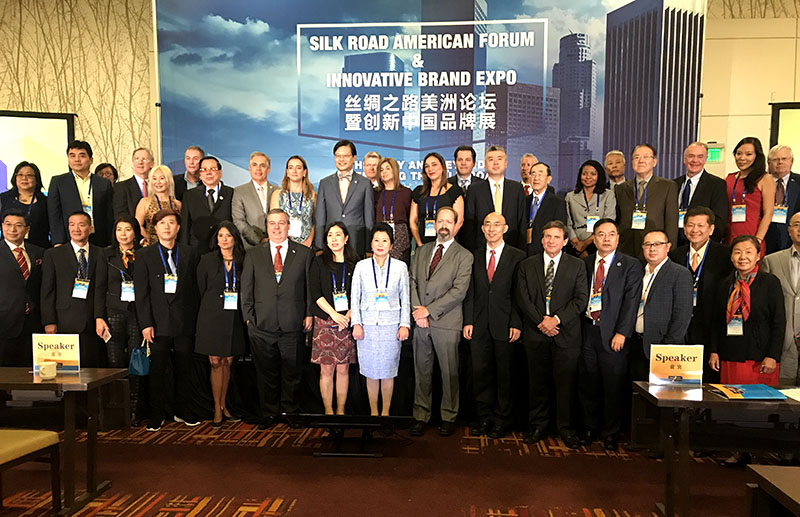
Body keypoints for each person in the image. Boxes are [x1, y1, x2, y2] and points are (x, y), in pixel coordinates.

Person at [516, 220, 588, 448]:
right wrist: (541, 321)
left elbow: (580, 300)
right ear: (541, 239)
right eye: (547, 236)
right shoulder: (527, 265)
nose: (551, 241)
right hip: (536, 333)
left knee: (566, 385)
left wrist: (555, 320)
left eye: (556, 237)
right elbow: (523, 298)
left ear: (565, 241)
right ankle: (538, 426)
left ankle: (565, 428)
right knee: (537, 384)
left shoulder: (577, 266)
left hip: (565, 334)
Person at [241, 209, 313, 428]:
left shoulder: (304, 253)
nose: (276, 227)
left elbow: (309, 288)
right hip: (261, 325)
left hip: (293, 323)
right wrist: (249, 318)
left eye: (281, 223)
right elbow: (246, 289)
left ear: (288, 226)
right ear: (267, 226)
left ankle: (290, 411)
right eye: (272, 223)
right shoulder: (254, 254)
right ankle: (269, 413)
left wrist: (309, 313)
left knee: (293, 373)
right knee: (266, 373)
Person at [134, 208, 200, 430]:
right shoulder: (144, 255)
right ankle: (156, 414)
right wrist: (146, 323)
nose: (167, 227)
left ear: (178, 227)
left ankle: (184, 411)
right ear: (155, 227)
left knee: (184, 370)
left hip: (184, 322)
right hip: (157, 323)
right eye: (162, 223)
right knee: (157, 372)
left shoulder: (190, 253)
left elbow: (195, 289)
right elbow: (141, 293)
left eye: (171, 223)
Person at [578, 219, 642, 450]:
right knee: (589, 383)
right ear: (594, 239)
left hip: (614, 334)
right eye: (601, 234)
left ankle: (610, 432)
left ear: (617, 238)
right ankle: (589, 428)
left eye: (611, 234)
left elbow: (631, 302)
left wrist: (622, 333)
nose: (606, 239)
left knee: (612, 386)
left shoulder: (630, 265)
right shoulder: (584, 264)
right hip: (587, 330)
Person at [409, 207, 473, 437]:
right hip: (420, 322)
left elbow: (458, 292)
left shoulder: (465, 256)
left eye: (449, 221)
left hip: (446, 322)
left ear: (456, 225)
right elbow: (412, 281)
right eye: (440, 221)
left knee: (449, 373)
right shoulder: (422, 251)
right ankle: (421, 415)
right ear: (434, 224)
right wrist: (418, 311)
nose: (444, 225)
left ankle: (448, 416)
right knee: (421, 371)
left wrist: (428, 311)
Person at [462, 212, 525, 439]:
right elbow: (470, 292)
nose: (491, 228)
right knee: (481, 374)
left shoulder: (518, 256)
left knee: (504, 376)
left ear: (505, 228)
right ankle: (484, 418)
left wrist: (516, 322)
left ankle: (502, 420)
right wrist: (468, 320)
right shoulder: (474, 255)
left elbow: (520, 294)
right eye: (487, 224)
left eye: (496, 224)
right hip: (478, 324)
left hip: (505, 325)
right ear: (482, 229)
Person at [351, 223, 411, 416]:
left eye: (384, 240)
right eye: (376, 240)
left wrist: (404, 325)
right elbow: (355, 297)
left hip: (391, 327)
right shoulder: (361, 266)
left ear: (391, 245)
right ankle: (373, 413)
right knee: (370, 372)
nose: (380, 244)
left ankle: (385, 414)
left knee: (388, 371)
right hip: (367, 327)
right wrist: (356, 323)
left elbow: (405, 298)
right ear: (371, 243)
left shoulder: (400, 267)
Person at [710, 235, 784, 386]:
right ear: (731, 257)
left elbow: (779, 322)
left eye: (748, 252)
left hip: (761, 359)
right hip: (729, 355)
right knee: (730, 398)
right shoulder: (724, 284)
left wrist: (773, 355)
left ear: (758, 256)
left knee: (759, 400)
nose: (743, 257)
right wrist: (714, 351)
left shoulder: (770, 282)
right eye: (737, 252)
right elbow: (716, 322)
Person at [668, 207, 732, 382]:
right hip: (681, 328)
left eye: (700, 225)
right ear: (684, 228)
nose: (694, 230)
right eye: (690, 225)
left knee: (708, 382)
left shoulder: (725, 255)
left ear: (711, 229)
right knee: (679, 382)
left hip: (711, 327)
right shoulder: (675, 255)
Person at [94, 215, 147, 424]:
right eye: (119, 230)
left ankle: (134, 409)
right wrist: (99, 317)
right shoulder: (106, 254)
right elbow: (99, 287)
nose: (123, 234)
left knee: (136, 361)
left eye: (127, 229)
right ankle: (115, 409)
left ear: (135, 232)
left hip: (137, 313)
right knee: (114, 361)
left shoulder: (144, 254)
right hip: (114, 312)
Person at [195, 221, 247, 427]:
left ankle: (225, 405)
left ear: (235, 238)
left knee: (228, 361)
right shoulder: (207, 260)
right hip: (211, 316)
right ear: (216, 240)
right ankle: (217, 408)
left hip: (234, 317)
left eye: (228, 235)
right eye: (220, 236)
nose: (224, 239)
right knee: (215, 361)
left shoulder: (244, 260)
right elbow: (201, 288)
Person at [41, 211, 106, 367]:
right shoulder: (53, 254)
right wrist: (49, 321)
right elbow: (47, 291)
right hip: (64, 320)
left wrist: (100, 316)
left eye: (81, 225)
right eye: (72, 224)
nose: (76, 229)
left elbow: (102, 287)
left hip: (93, 321)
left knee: (93, 369)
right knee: (67, 371)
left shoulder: (101, 253)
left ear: (90, 228)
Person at [628, 229, 693, 381]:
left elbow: (682, 315)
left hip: (663, 347)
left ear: (668, 246)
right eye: (648, 244)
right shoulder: (638, 272)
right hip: (636, 343)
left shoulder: (679, 273)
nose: (652, 248)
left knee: (660, 392)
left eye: (658, 244)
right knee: (637, 390)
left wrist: (667, 346)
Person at [309, 222, 359, 415]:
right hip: (325, 321)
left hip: (346, 322)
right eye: (330, 235)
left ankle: (340, 411)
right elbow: (315, 293)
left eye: (338, 234)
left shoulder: (355, 263)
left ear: (346, 238)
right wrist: (334, 314)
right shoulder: (318, 261)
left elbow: (360, 293)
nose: (334, 239)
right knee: (326, 370)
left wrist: (348, 315)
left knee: (343, 369)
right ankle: (329, 412)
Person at [616, 144, 679, 259]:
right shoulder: (621, 188)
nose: (641, 161)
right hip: (626, 249)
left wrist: (670, 250)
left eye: (646, 157)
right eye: (636, 157)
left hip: (654, 249)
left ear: (654, 162)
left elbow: (671, 222)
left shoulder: (668, 186)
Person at [47, 140, 114, 246]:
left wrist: (111, 242)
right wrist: (58, 241)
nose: (77, 159)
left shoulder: (103, 183)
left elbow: (109, 215)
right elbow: (54, 214)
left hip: (99, 239)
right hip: (69, 239)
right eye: (72, 156)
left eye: (82, 156)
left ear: (91, 160)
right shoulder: (59, 182)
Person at [315, 140, 375, 255]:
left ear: (354, 158)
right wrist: (319, 247)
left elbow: (369, 218)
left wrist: (368, 248)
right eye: (338, 156)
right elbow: (320, 217)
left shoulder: (365, 183)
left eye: (345, 156)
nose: (341, 159)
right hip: (331, 245)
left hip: (356, 243)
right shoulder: (325, 183)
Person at [760, 212, 800, 386]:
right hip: (782, 343)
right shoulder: (771, 261)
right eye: (796, 224)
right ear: (789, 230)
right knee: (783, 394)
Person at [0, 210, 44, 366]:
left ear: (27, 229)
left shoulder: (39, 252)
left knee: (31, 371)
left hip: (33, 321)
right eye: (8, 224)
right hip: (4, 322)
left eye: (18, 225)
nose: (12, 229)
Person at [464, 145, 527, 251]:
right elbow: (469, 225)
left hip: (512, 248)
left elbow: (522, 221)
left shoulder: (517, 188)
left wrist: (521, 251)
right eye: (491, 159)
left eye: (499, 159)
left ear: (506, 163)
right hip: (482, 249)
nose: (496, 163)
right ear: (485, 164)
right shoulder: (474, 189)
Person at [725, 136, 775, 257]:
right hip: (729, 235)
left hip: (752, 235)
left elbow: (768, 213)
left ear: (757, 156)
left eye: (748, 154)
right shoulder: (729, 178)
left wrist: (758, 239)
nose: (742, 158)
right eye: (739, 153)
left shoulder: (765, 179)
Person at [674, 142, 728, 245]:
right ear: (684, 159)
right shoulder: (674, 184)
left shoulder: (717, 184)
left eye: (700, 157)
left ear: (705, 159)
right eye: (691, 156)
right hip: (675, 243)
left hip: (701, 243)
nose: (695, 160)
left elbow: (719, 220)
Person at [181, 155, 234, 254]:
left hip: (224, 249)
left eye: (212, 169)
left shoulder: (231, 193)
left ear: (220, 172)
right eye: (204, 169)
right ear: (200, 174)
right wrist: (185, 252)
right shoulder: (190, 195)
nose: (208, 172)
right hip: (197, 251)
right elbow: (185, 227)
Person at [411, 152, 465, 248]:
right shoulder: (419, 191)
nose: (430, 169)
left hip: (447, 245)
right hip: (423, 245)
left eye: (434, 165)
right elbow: (412, 221)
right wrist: (420, 244)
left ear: (443, 167)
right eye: (427, 166)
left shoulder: (454, 191)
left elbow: (459, 221)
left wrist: (445, 243)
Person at [565, 160, 616, 258]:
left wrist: (585, 244)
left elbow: (609, 220)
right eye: (584, 174)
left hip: (599, 241)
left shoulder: (608, 195)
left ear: (599, 176)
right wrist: (577, 244)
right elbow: (568, 222)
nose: (588, 177)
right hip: (575, 244)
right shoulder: (570, 196)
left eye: (593, 174)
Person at [232, 152, 279, 249]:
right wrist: (259, 240)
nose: (258, 168)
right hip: (251, 247)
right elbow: (239, 221)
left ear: (268, 170)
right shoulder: (239, 191)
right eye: (254, 165)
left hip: (277, 246)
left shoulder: (278, 191)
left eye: (262, 165)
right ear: (249, 168)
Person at [0, 161, 50, 248]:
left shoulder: (46, 202)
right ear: (15, 178)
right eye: (20, 175)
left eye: (29, 175)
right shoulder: (3, 199)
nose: (24, 178)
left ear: (36, 179)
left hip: (39, 248)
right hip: (7, 249)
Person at [270, 155, 315, 248]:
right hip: (284, 245)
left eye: (298, 168)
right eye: (291, 167)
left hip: (307, 246)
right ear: (287, 172)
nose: (294, 171)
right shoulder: (278, 195)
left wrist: (308, 242)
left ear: (304, 172)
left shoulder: (312, 195)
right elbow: (274, 223)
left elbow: (315, 222)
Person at [374, 157, 413, 263]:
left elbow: (411, 218)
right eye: (381, 170)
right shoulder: (375, 193)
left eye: (387, 168)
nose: (384, 172)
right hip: (380, 235)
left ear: (395, 170)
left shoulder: (406, 192)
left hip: (400, 236)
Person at [525, 162, 568, 257]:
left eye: (540, 174)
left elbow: (560, 230)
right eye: (533, 174)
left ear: (548, 179)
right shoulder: (523, 201)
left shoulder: (557, 202)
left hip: (545, 252)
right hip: (524, 252)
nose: (536, 178)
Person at [764, 145, 800, 254]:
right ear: (768, 163)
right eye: (775, 159)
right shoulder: (761, 182)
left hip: (793, 237)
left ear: (791, 161)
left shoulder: (799, 181)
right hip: (766, 235)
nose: (780, 162)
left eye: (784, 159)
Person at [135, 165, 181, 246]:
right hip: (151, 246)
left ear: (169, 180)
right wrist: (149, 238)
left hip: (172, 245)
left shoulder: (177, 204)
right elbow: (137, 225)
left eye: (162, 178)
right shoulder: (145, 202)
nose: (158, 182)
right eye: (154, 179)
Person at [114, 147, 154, 218]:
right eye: (136, 159)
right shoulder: (121, 187)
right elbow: (120, 215)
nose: (140, 162)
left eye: (144, 159)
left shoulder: (158, 186)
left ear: (152, 164)